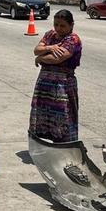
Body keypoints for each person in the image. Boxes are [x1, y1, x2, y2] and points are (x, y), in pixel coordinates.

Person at [29, 9, 82, 143]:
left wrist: (40, 59)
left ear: (71, 25)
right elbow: (36, 50)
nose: (58, 28)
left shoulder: (73, 39)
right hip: (44, 84)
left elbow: (57, 58)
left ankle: (66, 147)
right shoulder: (50, 35)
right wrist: (49, 48)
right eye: (56, 24)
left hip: (62, 86)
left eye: (62, 25)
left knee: (64, 116)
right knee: (44, 114)